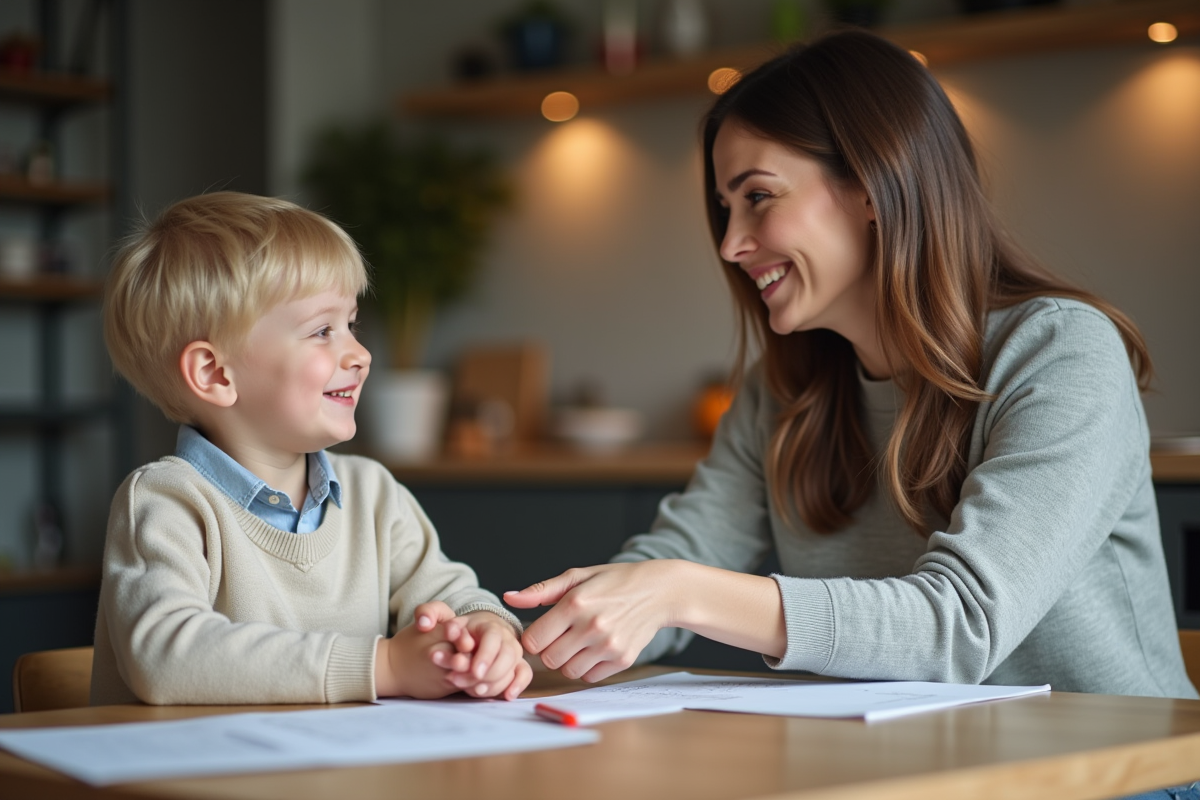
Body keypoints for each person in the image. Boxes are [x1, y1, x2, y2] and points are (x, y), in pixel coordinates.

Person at [505, 30, 1199, 707]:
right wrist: (508, 645)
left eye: (758, 196)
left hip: (1122, 776)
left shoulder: (1061, 352)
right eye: (724, 209)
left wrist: (679, 591)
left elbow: (959, 626)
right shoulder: (781, 394)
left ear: (872, 186)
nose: (731, 244)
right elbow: (675, 557)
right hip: (916, 770)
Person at [92, 192, 531, 705]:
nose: (361, 354)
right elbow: (164, 657)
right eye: (323, 331)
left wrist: (483, 633)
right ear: (215, 373)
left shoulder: (374, 494)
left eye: (352, 325)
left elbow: (449, 591)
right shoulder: (166, 501)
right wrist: (382, 664)